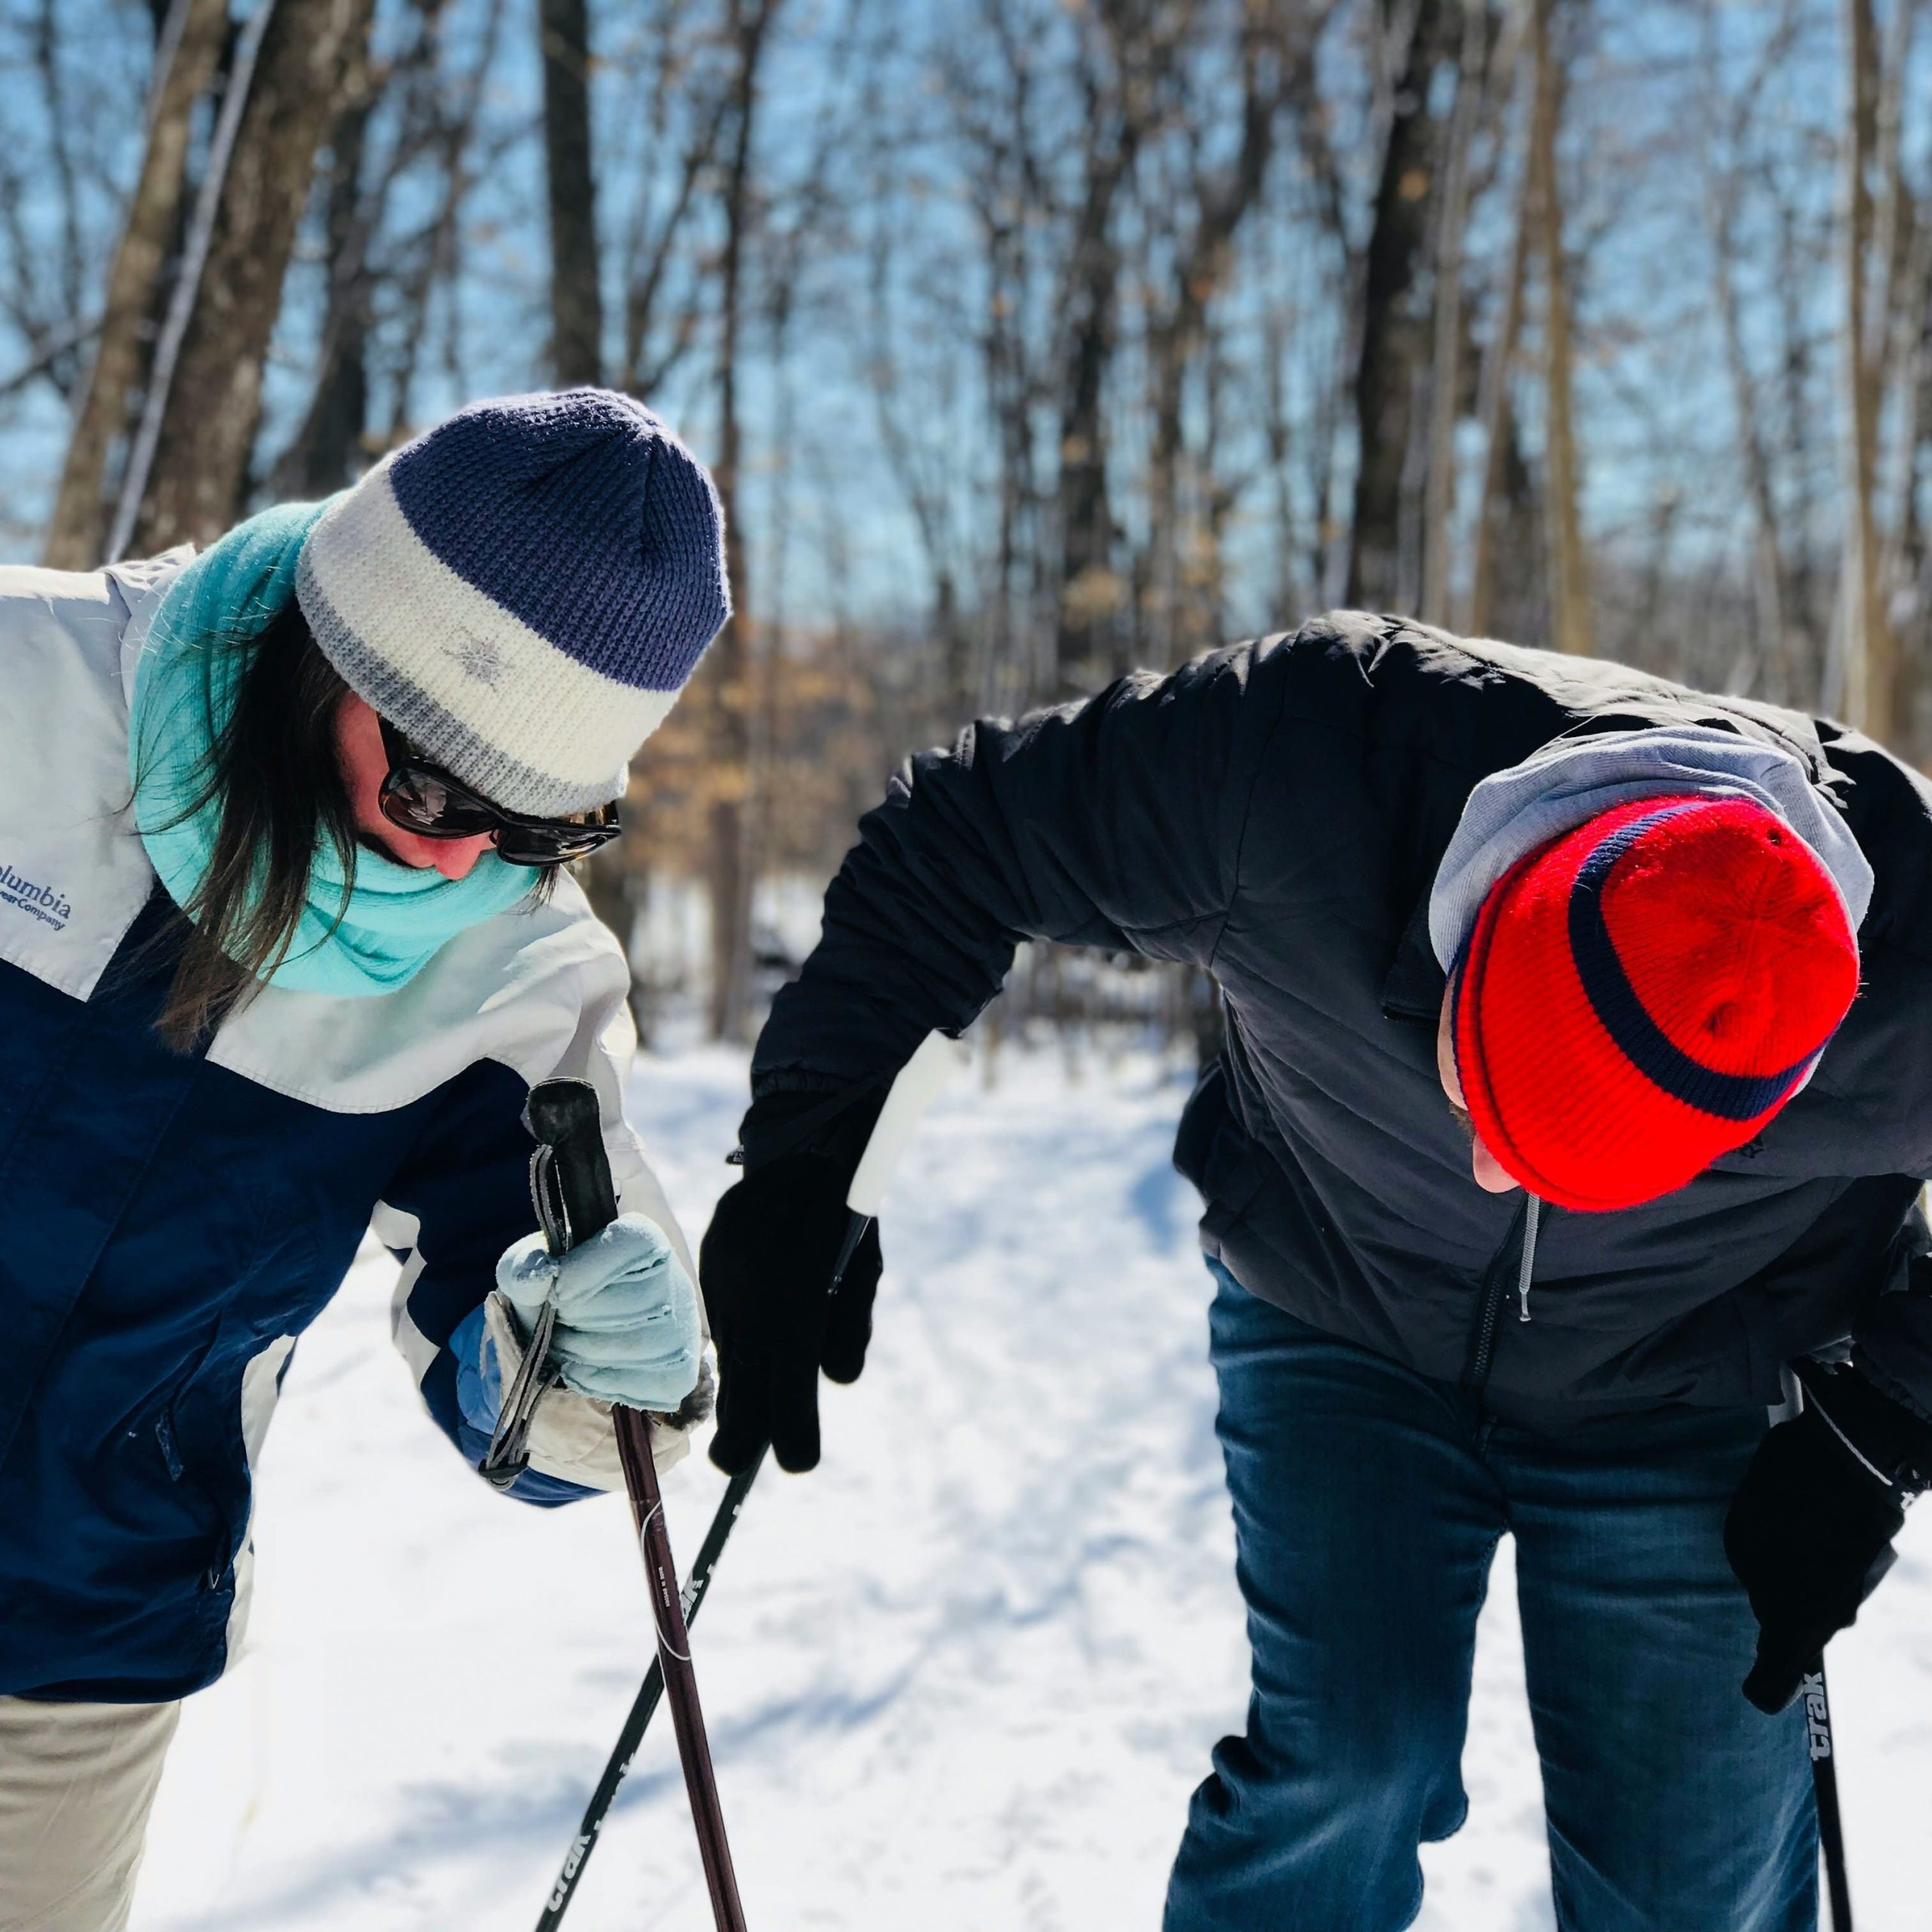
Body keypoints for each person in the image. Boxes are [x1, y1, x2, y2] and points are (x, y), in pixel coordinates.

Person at [700, 610, 1932, 1932]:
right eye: (1486, 1103)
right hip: (1340, 1304)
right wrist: (808, 1155)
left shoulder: (1915, 961)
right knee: (1350, 1759)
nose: (1493, 1174)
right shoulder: (1299, 761)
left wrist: (1883, 1421)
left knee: (1690, 1875)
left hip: (1690, 1370)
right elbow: (961, 836)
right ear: (1487, 913)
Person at [0, 388, 726, 1932]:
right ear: (319, 645)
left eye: (537, 825)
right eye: (432, 787)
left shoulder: (512, 975)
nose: (465, 860)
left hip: (74, 1636)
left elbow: (564, 1403)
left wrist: (589, 1362)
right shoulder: (20, 685)